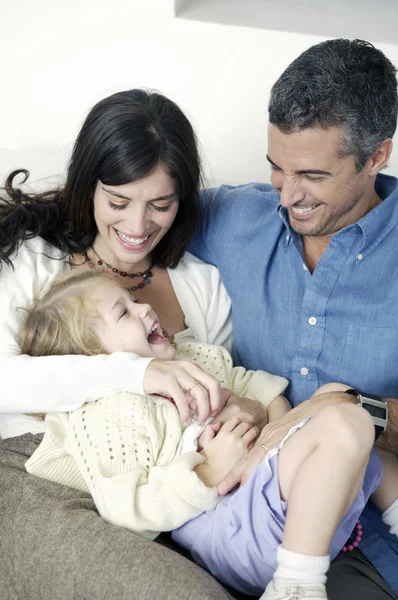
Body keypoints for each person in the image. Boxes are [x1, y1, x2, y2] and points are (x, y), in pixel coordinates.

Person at [0, 89, 271, 600]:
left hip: (172, 489)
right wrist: (137, 372)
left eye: (161, 204)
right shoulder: (34, 260)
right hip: (41, 474)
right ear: (88, 187)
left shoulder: (200, 285)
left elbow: (227, 383)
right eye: (118, 201)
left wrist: (248, 411)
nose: (138, 226)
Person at [18, 269, 398, 600]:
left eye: (133, 299)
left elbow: (265, 391)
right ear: (94, 357)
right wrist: (212, 470)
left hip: (277, 500)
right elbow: (125, 508)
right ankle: (295, 586)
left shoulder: (192, 359)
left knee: (335, 402)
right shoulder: (111, 411)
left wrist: (271, 435)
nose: (144, 308)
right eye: (124, 312)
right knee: (348, 421)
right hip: (231, 528)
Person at [189, 38, 398, 600]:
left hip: (373, 542)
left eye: (312, 175)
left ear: (376, 155)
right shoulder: (236, 218)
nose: (287, 195)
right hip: (247, 517)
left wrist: (352, 407)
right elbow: (124, 217)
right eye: (276, 169)